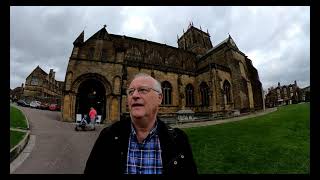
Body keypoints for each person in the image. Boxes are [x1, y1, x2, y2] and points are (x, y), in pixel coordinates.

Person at [84, 73, 198, 175]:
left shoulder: (179, 139)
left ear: (160, 98)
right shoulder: (108, 136)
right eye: (130, 91)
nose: (134, 95)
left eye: (143, 90)